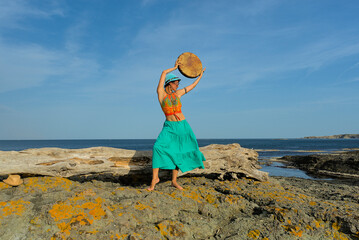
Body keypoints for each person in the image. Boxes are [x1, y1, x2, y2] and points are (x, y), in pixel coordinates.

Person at [147, 60, 206, 191]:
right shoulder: (161, 94)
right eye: (176, 83)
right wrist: (174, 68)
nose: (178, 85)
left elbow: (192, 86)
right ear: (170, 83)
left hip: (183, 127)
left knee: (179, 152)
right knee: (157, 147)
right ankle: (154, 179)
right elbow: (163, 73)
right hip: (169, 127)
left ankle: (174, 181)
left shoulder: (178, 94)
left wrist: (200, 76)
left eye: (178, 83)